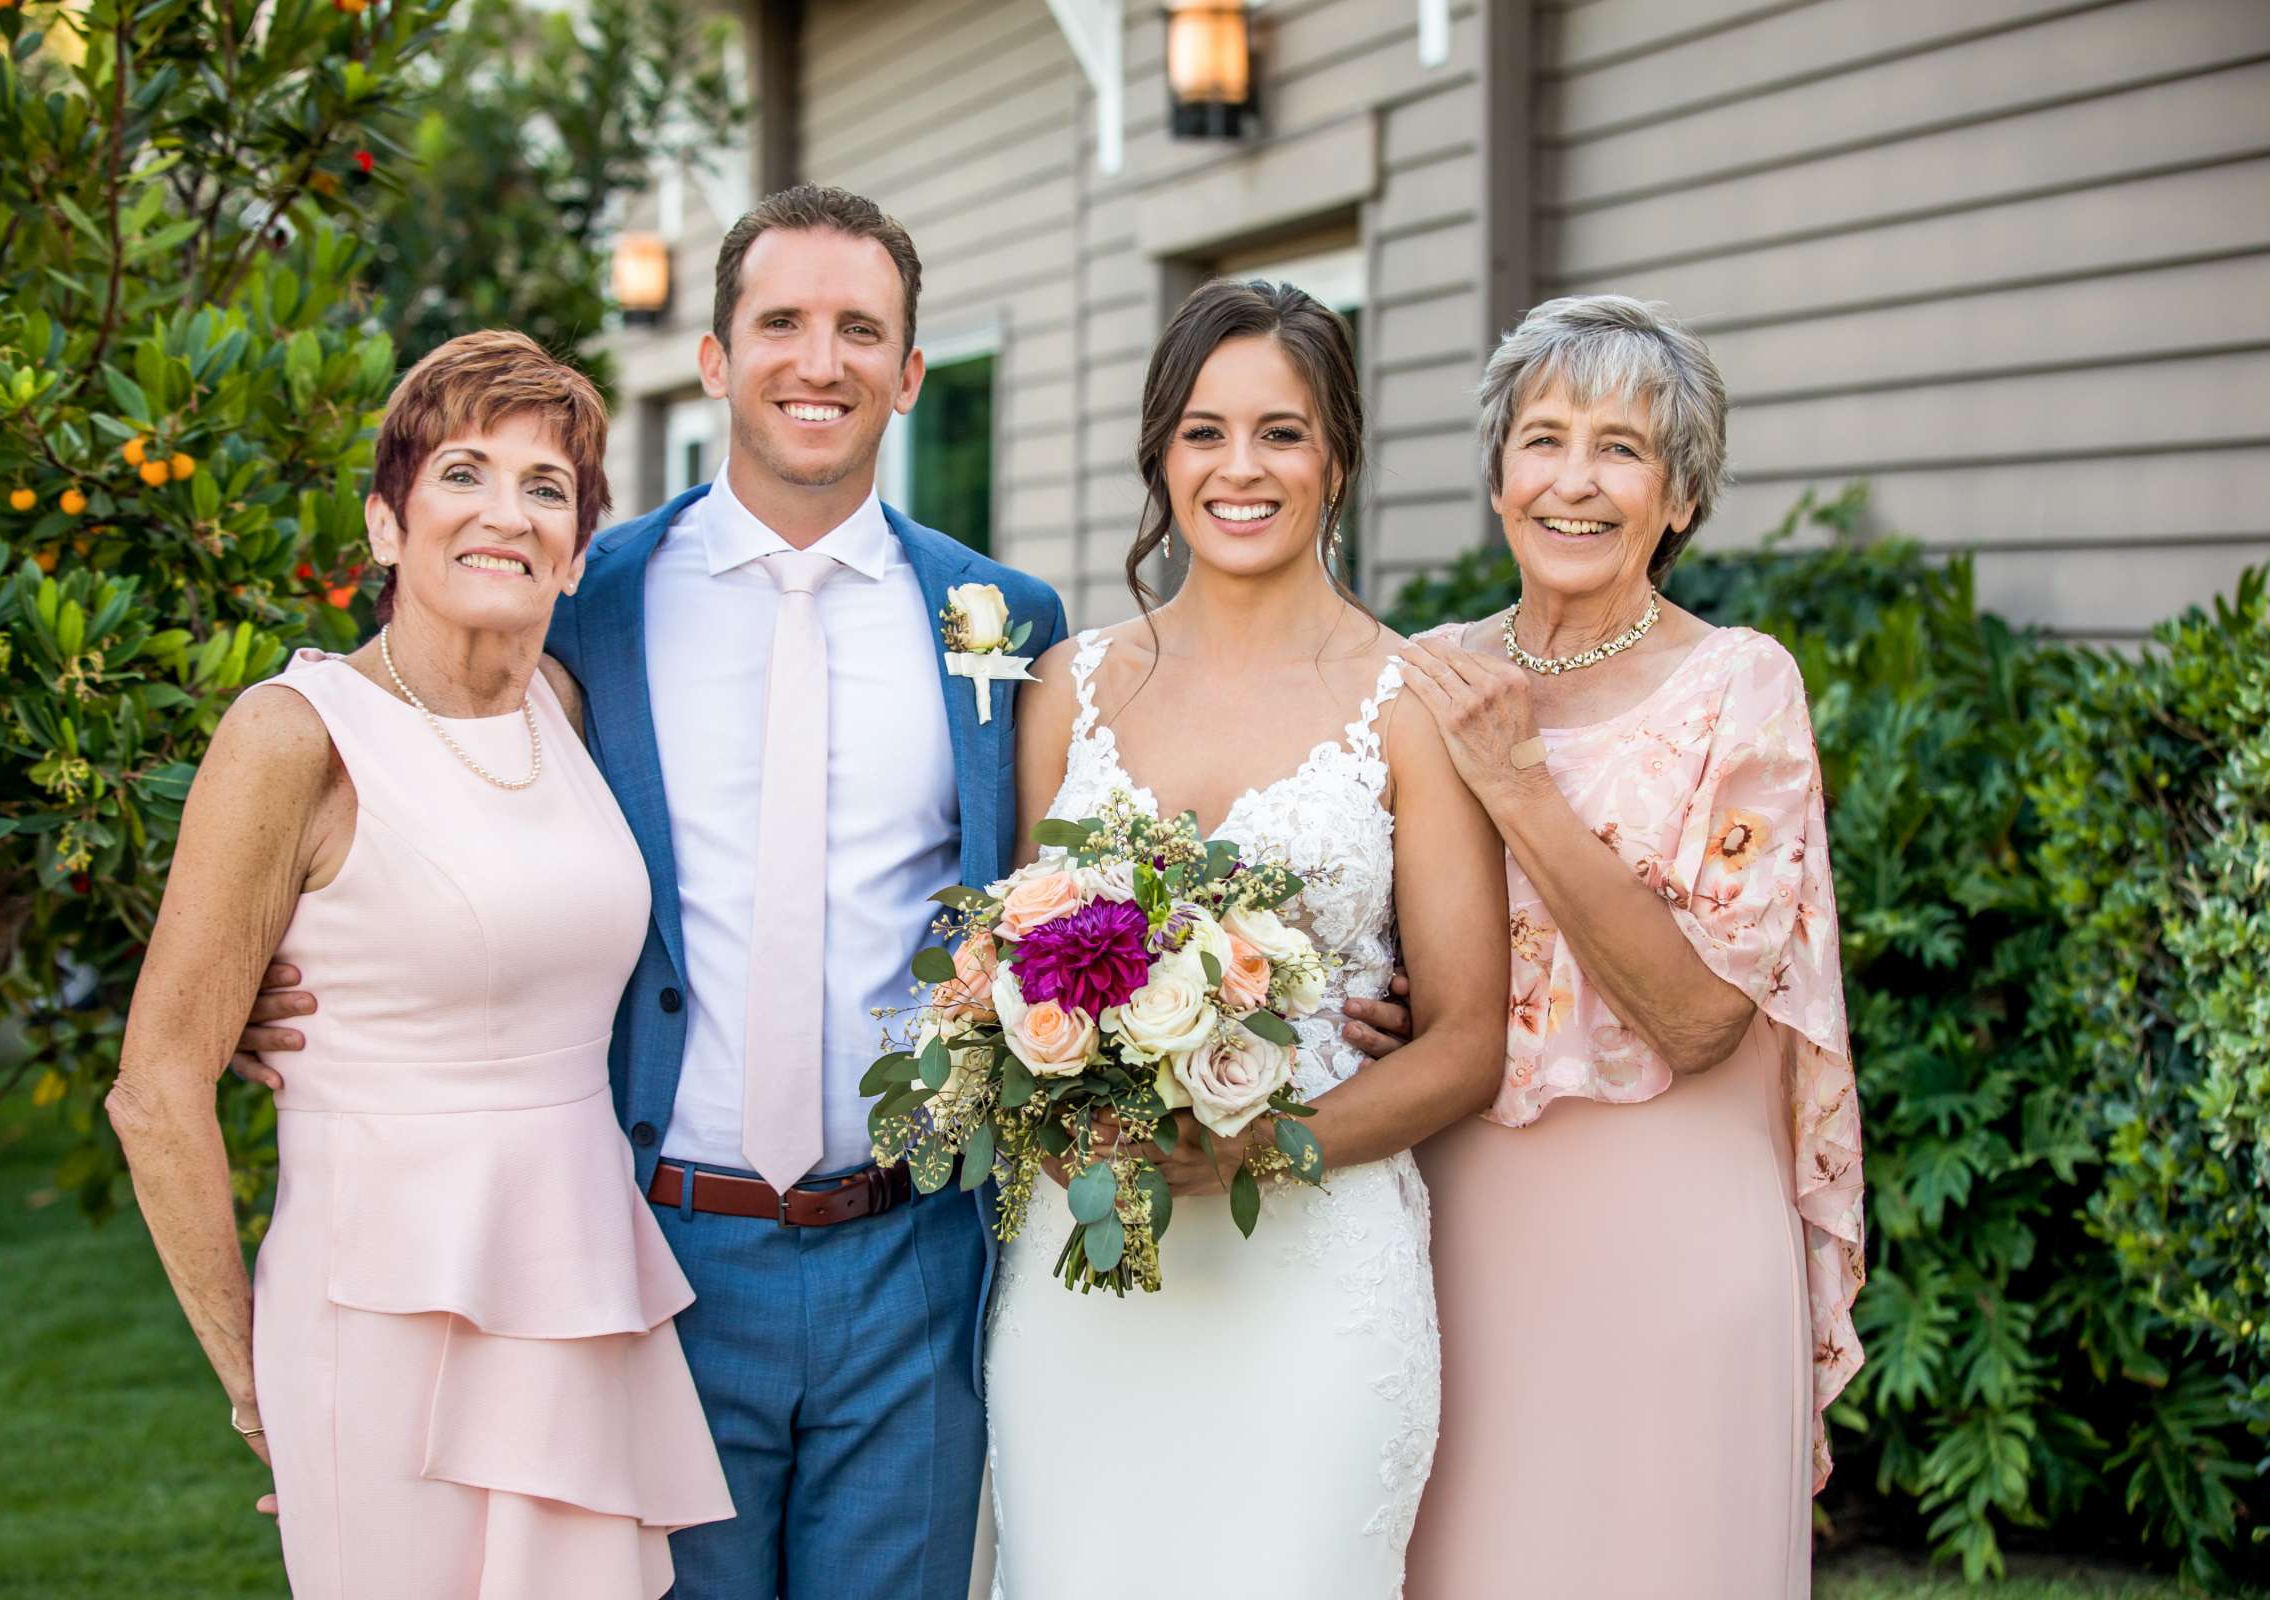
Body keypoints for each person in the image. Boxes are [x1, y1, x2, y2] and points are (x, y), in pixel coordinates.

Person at [236, 186, 1067, 1600]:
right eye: (782, 323)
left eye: (861, 329)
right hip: (655, 1252)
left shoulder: (1001, 625)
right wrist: (298, 960)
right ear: (715, 360)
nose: (822, 361)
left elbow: (1061, 892)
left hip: (915, 1254)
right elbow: (419, 775)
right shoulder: (584, 596)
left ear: (911, 372)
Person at [110, 330, 735, 1598]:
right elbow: (155, 1086)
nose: (506, 514)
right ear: (387, 524)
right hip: (376, 1314)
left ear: (574, 548)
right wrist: (250, 1375)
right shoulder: (295, 736)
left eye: (546, 488)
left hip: (578, 1285)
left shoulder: (560, 708)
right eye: (463, 472)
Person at [983, 279, 1509, 1597]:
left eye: (1281, 431)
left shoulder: (1409, 705)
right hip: (1089, 1265)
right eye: (1205, 431)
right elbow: (1003, 974)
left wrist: (1263, 1149)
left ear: (1337, 456)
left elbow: (1466, 1041)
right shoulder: (1070, 689)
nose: (1241, 467)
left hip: (1315, 1282)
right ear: (1162, 453)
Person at [1364, 294, 1864, 1598]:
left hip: (1678, 1227)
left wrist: (1519, 783)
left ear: (1681, 498)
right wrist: (1364, 1001)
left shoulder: (1741, 685)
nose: (1573, 481)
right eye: (1543, 439)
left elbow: (1703, 1021)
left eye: (1622, 449)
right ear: (1498, 472)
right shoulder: (1423, 675)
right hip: (1461, 1221)